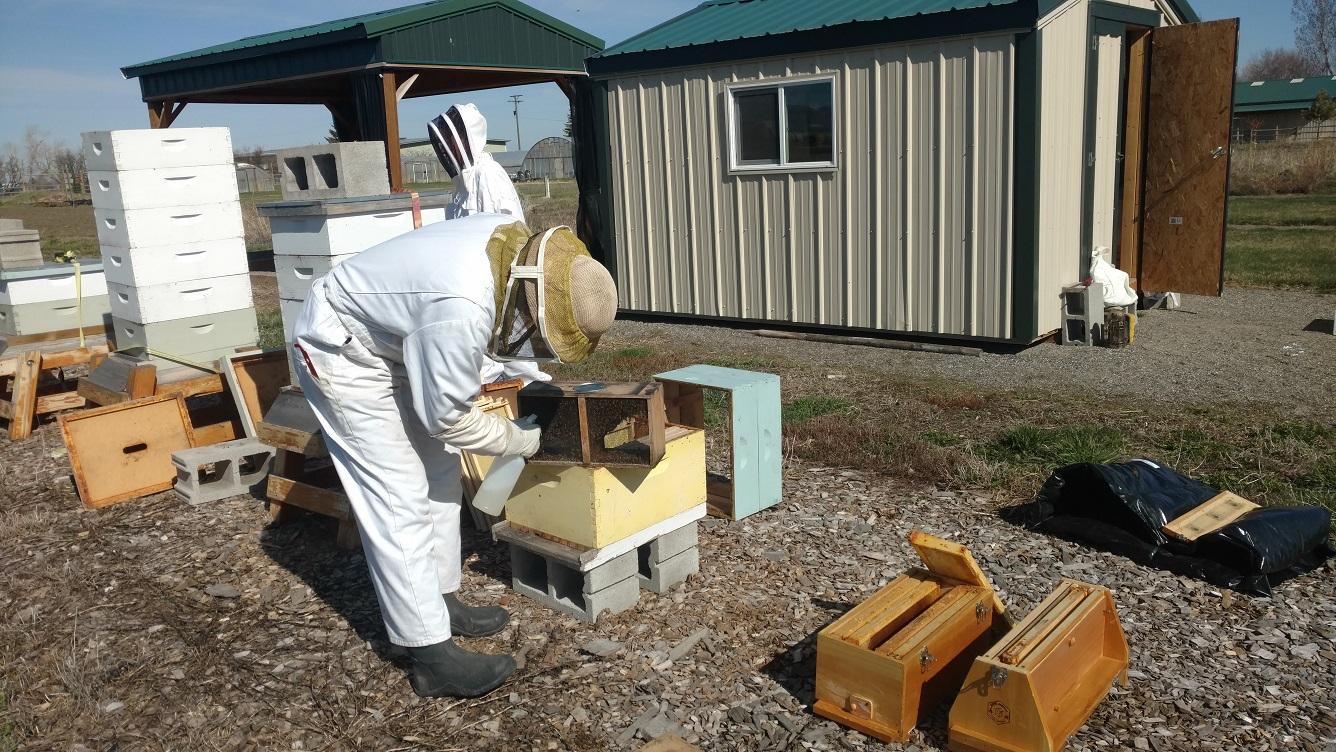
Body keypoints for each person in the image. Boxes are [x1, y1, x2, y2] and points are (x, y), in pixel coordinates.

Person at [291, 213, 617, 698]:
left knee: (440, 474)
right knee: (397, 498)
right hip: (345, 354)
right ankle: (430, 656)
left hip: (395, 343)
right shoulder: (460, 308)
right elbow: (446, 416)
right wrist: (514, 440)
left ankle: (441, 600)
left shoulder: (504, 245)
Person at [429, 104, 525, 222]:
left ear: (465, 139)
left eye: (450, 139)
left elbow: (494, 230)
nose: (447, 146)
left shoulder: (487, 174)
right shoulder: (466, 180)